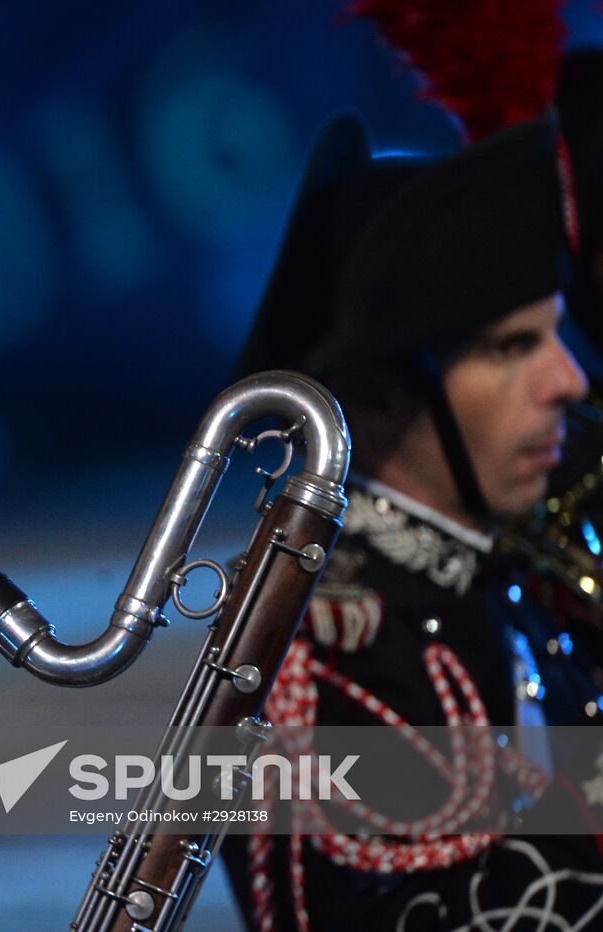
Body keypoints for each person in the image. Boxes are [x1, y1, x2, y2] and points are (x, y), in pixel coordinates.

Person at [218, 66, 603, 932]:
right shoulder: (332, 671)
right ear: (375, 395)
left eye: (555, 334)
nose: (569, 379)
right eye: (511, 348)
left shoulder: (517, 576)